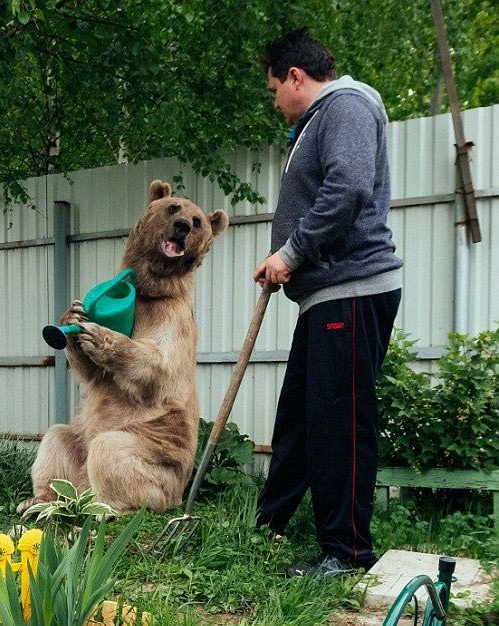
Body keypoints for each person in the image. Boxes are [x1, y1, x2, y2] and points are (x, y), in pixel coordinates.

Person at [252, 27, 403, 577]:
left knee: (340, 423)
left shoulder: (346, 107)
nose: (275, 103)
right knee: (300, 417)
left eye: (274, 89)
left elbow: (348, 188)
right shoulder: (322, 120)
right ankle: (269, 525)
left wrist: (289, 254)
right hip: (327, 296)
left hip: (354, 291)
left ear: (296, 77)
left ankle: (347, 553)